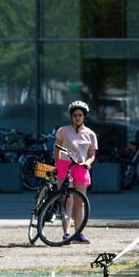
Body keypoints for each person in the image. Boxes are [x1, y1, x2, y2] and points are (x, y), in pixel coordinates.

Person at [54, 100, 97, 244]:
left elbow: (92, 154)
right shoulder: (63, 131)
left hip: (81, 168)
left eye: (80, 115)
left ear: (84, 116)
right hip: (65, 167)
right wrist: (57, 165)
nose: (77, 118)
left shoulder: (90, 134)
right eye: (75, 115)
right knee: (67, 201)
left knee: (80, 203)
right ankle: (66, 234)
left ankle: (78, 233)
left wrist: (88, 163)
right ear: (71, 116)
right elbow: (56, 149)